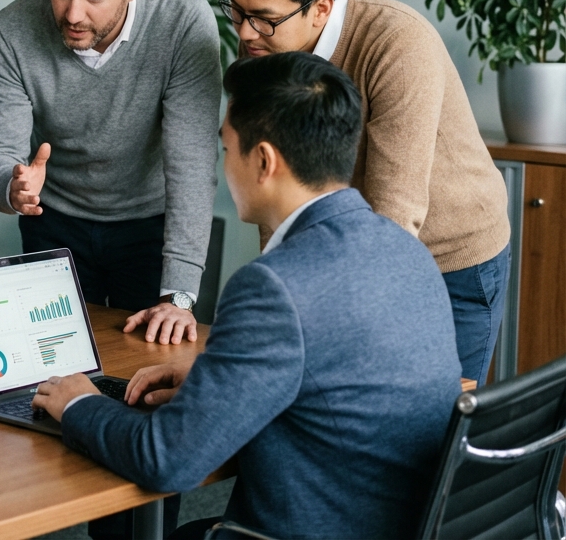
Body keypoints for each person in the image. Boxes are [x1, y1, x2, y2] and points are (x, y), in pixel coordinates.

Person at [33, 52, 462, 540]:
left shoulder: (273, 287)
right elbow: (344, 376)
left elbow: (167, 461)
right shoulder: (403, 249)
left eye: (227, 149)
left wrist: (78, 404)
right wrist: (221, 378)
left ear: (263, 161)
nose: (223, 167)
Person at [220, 0, 511, 384]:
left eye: (264, 19)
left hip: (448, 258)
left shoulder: (397, 43)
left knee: (434, 430)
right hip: (357, 252)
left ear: (321, 8)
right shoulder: (264, 45)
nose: (244, 33)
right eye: (236, 10)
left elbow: (395, 213)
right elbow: (271, 187)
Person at [0, 0, 221, 345]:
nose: (72, 14)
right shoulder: (12, 31)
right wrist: (11, 188)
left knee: (147, 361)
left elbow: (192, 166)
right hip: (56, 221)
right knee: (52, 361)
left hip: (151, 223)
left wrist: (179, 295)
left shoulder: (184, 21)